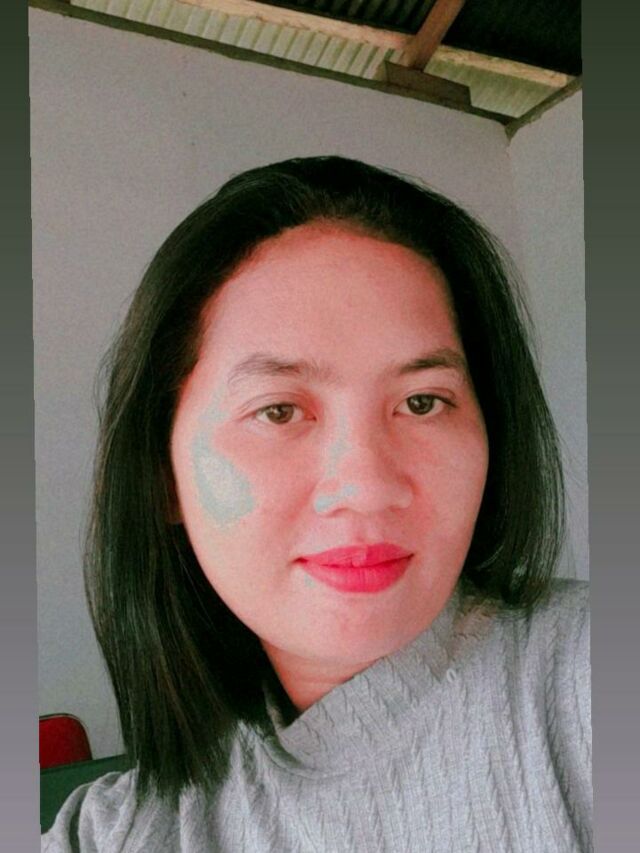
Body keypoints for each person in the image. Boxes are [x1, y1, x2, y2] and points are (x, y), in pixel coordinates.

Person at [42, 156, 591, 852]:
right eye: (278, 411)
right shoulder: (118, 832)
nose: (366, 484)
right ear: (162, 476)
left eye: (423, 402)